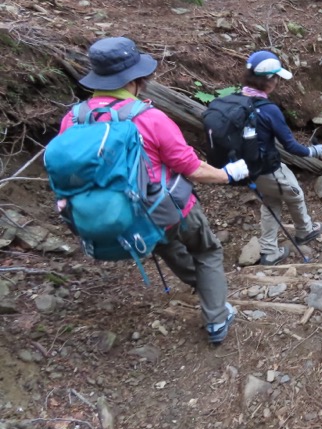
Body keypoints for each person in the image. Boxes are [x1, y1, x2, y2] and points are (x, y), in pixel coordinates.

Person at [59, 37, 250, 344]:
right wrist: (227, 175)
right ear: (134, 80)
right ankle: (216, 318)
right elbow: (192, 168)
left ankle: (208, 294)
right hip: (170, 209)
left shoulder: (73, 119)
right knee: (207, 251)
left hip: (125, 218)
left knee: (169, 249)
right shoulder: (149, 118)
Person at [243, 51, 322, 265]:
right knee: (295, 195)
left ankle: (269, 251)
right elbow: (291, 146)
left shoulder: (239, 101)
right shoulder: (269, 109)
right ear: (269, 81)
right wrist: (313, 152)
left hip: (247, 167)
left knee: (271, 202)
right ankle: (304, 231)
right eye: (276, 77)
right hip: (268, 167)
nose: (278, 81)